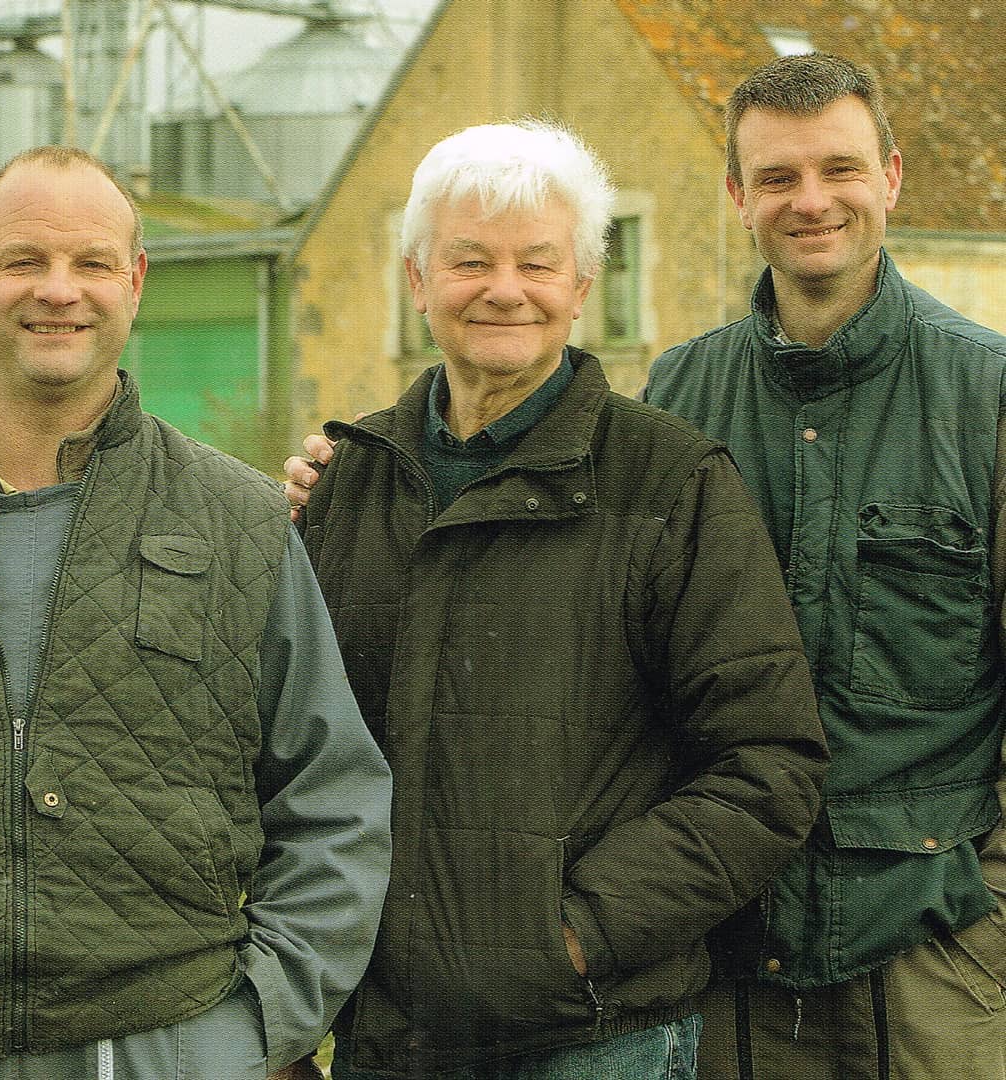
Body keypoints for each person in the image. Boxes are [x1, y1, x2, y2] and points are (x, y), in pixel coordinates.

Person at [287, 119, 829, 1079]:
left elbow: (768, 768)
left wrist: (570, 937)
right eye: (469, 261)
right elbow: (287, 759)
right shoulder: (348, 486)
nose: (504, 289)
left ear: (581, 288)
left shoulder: (672, 482)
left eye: (538, 263)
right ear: (418, 281)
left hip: (594, 1036)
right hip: (381, 1035)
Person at [0, 145, 392, 1080]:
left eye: (92, 263)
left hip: (167, 1042)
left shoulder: (238, 519)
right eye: (25, 261)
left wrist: (256, 1024)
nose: (60, 291)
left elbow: (332, 796)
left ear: (134, 284)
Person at [641, 54, 1006, 1079]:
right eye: (777, 178)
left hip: (936, 968)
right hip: (725, 970)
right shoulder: (677, 395)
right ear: (736, 197)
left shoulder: (987, 397)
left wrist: (992, 935)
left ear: (890, 177)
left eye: (839, 169)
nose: (812, 202)